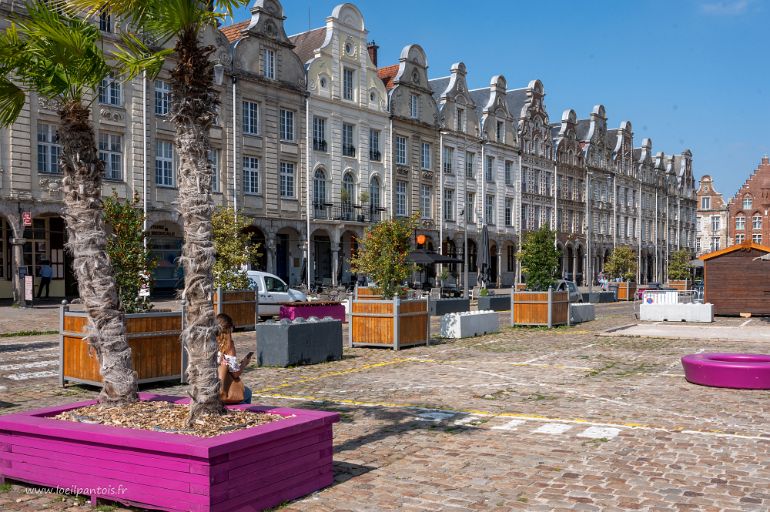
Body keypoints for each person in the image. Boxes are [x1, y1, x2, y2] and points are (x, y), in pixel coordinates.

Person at [216, 313, 252, 404]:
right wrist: (244, 363)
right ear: (229, 329)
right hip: (222, 389)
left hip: (207, 386)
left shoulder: (209, 342)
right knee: (247, 393)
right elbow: (235, 373)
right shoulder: (228, 346)